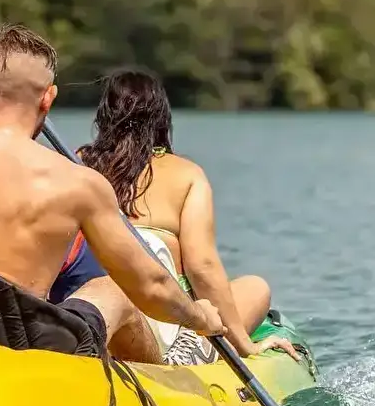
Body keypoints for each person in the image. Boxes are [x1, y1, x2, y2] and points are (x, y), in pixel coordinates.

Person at [0, 23, 227, 364]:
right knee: (114, 289)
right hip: (21, 352)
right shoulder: (76, 182)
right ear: (47, 99)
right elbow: (151, 286)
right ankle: (159, 381)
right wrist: (199, 316)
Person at [53, 68, 301, 367]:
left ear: (104, 117)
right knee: (256, 287)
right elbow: (202, 267)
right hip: (158, 326)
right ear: (162, 119)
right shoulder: (186, 174)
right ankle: (189, 356)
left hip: (91, 310)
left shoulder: (75, 163)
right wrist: (246, 346)